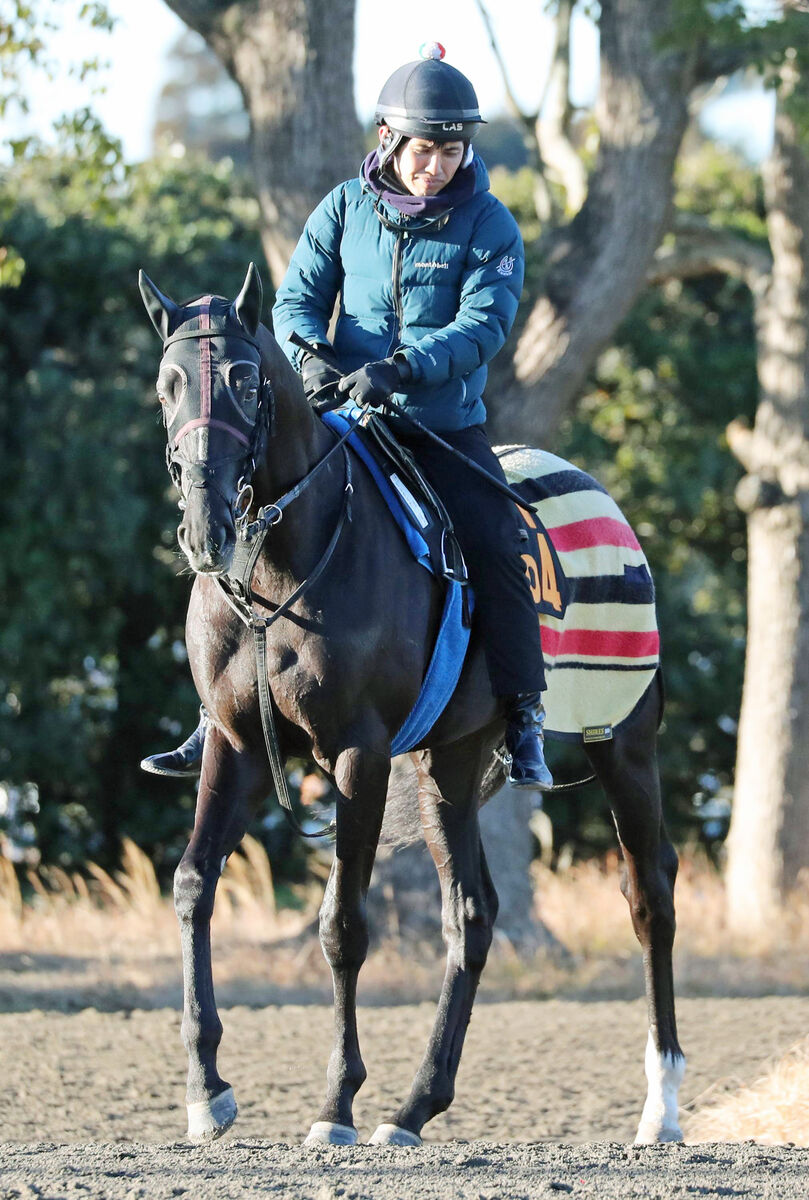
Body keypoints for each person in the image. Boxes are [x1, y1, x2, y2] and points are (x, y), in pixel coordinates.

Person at [142, 42, 552, 790]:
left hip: (437, 425)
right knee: (241, 514)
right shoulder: (341, 207)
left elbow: (482, 326)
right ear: (388, 141)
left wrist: (400, 368)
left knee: (497, 534)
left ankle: (522, 712)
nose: (436, 165)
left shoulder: (490, 225)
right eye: (423, 149)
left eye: (451, 150)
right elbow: (295, 302)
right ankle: (211, 710)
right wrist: (315, 365)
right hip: (340, 417)